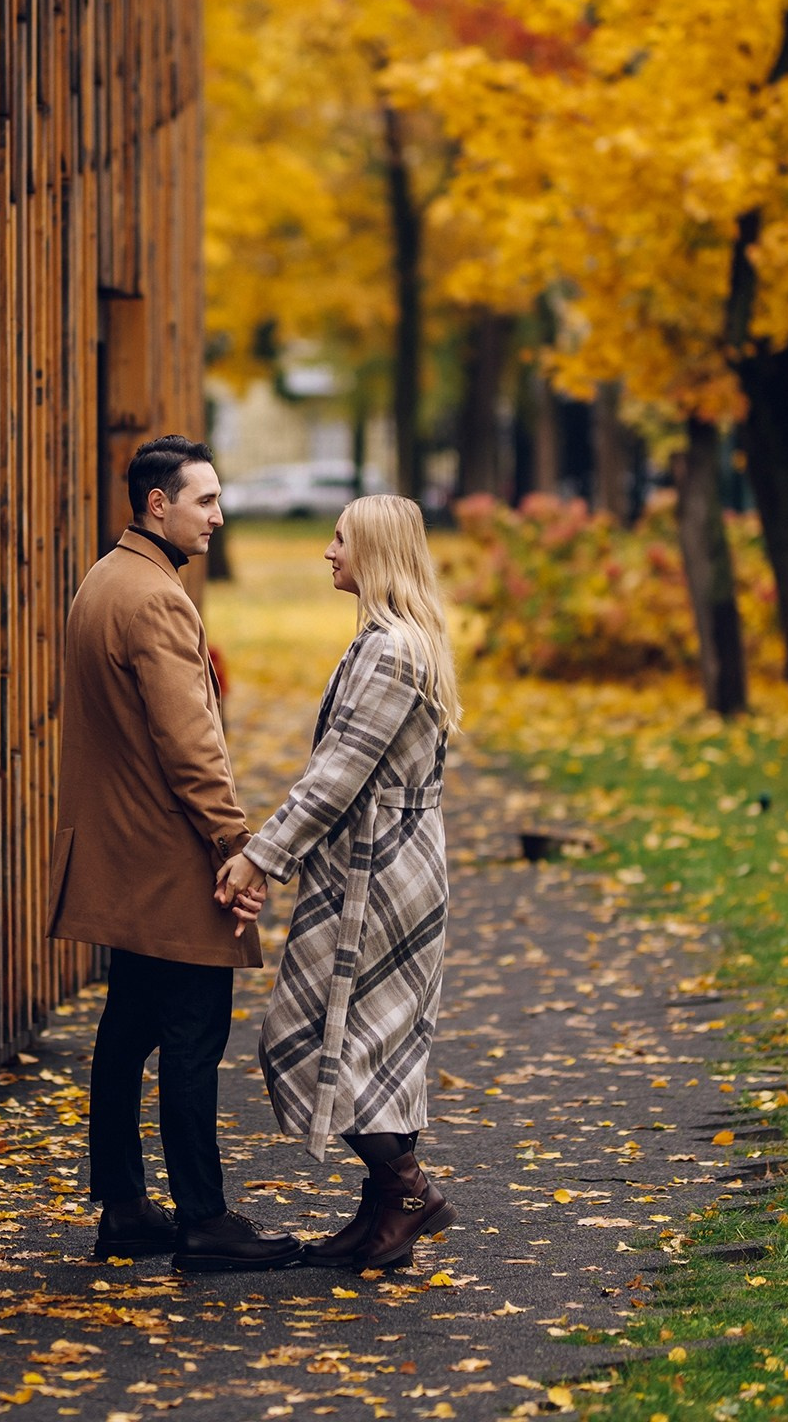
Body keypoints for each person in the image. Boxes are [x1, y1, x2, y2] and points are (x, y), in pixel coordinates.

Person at [47, 435, 302, 1274]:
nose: (219, 517)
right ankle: (203, 1219)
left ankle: (123, 1206)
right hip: (168, 860)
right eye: (206, 501)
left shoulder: (102, 579)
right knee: (193, 1036)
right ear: (158, 503)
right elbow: (190, 745)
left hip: (123, 855)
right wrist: (239, 844)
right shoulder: (157, 599)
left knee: (126, 1032)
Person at [215, 495, 459, 1271]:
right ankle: (385, 1209)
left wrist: (260, 855)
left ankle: (408, 1188)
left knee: (312, 1036)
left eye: (340, 539)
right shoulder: (392, 641)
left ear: (377, 553)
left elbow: (338, 775)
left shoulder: (393, 651)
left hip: (382, 866)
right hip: (384, 856)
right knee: (369, 1042)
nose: (327, 550)